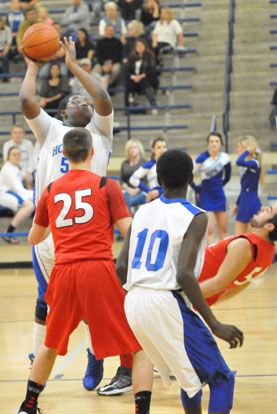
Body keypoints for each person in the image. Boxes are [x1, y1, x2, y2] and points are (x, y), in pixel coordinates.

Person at [19, 37, 131, 395]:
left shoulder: (100, 132)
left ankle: (96, 355)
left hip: (89, 232)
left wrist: (72, 65)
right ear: (63, 114)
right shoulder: (50, 130)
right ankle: (40, 355)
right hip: (50, 232)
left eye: (84, 100)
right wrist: (33, 65)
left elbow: (104, 98)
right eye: (73, 101)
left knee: (94, 302)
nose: (82, 101)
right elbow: (25, 101)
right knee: (45, 300)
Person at [17, 127, 143, 414]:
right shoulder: (106, 186)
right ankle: (141, 407)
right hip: (98, 268)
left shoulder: (51, 190)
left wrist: (59, 224)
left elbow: (34, 238)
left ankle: (28, 405)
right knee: (136, 344)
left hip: (63, 272)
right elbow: (130, 231)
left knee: (49, 345)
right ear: (92, 152)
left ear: (64, 153)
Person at [116, 149, 243, 414]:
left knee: (191, 381)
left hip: (133, 302)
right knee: (221, 379)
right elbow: (185, 274)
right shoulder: (196, 215)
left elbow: (121, 266)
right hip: (166, 300)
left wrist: (142, 295)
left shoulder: (141, 211)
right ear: (191, 176)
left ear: (158, 178)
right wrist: (215, 324)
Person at [198, 203, 277, 306]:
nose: (262, 208)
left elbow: (219, 283)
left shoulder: (244, 245)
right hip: (192, 292)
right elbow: (241, 285)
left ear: (269, 226)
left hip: (181, 285)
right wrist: (213, 300)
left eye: (267, 210)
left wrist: (182, 295)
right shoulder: (268, 254)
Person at [191, 132, 231, 245]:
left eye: (217, 141)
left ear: (221, 144)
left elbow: (227, 177)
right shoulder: (201, 158)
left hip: (219, 195)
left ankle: (224, 257)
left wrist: (218, 185)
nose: (214, 144)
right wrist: (197, 189)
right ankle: (212, 258)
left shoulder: (225, 158)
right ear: (208, 143)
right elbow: (190, 175)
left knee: (223, 229)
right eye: (211, 141)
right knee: (210, 230)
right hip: (206, 196)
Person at [0, 146, 34, 244]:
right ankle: (8, 232)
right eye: (14, 154)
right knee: (29, 206)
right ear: (8, 156)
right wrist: (35, 194)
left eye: (19, 154)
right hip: (4, 194)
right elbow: (19, 190)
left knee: (31, 203)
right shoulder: (9, 168)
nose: (17, 156)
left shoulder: (15, 167)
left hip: (11, 193)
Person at [232, 135, 264, 235]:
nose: (237, 150)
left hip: (252, 202)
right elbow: (243, 188)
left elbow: (238, 161)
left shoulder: (255, 163)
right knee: (237, 237)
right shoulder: (244, 165)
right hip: (243, 201)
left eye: (239, 147)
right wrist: (238, 203)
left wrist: (248, 151)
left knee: (256, 237)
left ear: (246, 148)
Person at [124, 38, 159, 114]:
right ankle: (128, 107)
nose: (139, 47)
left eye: (141, 45)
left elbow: (152, 70)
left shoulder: (150, 56)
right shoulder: (132, 57)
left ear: (145, 46)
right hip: (135, 80)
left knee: (145, 81)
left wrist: (142, 76)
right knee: (129, 84)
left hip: (148, 79)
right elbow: (127, 71)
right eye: (138, 45)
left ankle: (153, 105)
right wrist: (133, 77)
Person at [129, 136, 167, 203]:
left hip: (169, 198)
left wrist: (159, 191)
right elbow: (132, 179)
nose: (162, 149)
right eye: (159, 147)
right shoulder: (150, 164)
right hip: (154, 199)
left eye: (164, 147)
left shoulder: (171, 164)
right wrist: (148, 191)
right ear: (153, 150)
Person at [3, 124, 34, 189]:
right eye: (15, 132)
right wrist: (20, 174)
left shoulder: (29, 144)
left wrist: (28, 173)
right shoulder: (7, 145)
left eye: (20, 132)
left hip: (27, 172)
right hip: (14, 171)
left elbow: (32, 161)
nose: (18, 135)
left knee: (30, 183)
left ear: (23, 134)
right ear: (12, 134)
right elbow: (7, 161)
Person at [120, 139, 147, 212]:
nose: (132, 150)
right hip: (127, 191)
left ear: (139, 149)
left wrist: (135, 191)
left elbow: (145, 181)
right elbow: (122, 180)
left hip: (141, 191)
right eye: (130, 148)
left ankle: (131, 211)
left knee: (129, 202)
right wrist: (128, 189)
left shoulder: (144, 163)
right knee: (121, 198)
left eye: (135, 147)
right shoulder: (124, 163)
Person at [93, 25, 123, 89]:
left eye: (111, 30)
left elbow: (119, 56)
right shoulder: (100, 42)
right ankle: (97, 86)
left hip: (114, 62)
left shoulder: (118, 42)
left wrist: (111, 65)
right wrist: (103, 65)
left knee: (116, 69)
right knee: (95, 71)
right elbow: (98, 56)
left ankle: (108, 83)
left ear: (113, 31)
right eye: (108, 30)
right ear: (105, 31)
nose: (110, 32)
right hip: (102, 62)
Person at [0, 16, 12, 82]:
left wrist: (4, 51)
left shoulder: (7, 29)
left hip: (6, 49)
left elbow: (9, 42)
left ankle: (5, 78)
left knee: (5, 57)